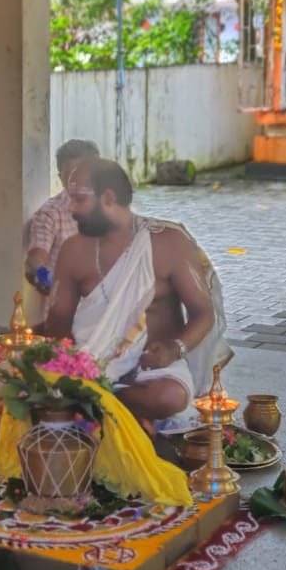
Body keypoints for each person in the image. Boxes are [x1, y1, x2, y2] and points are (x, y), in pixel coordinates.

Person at [46, 158, 230, 426]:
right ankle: (102, 405)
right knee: (3, 378)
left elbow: (203, 312)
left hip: (151, 372)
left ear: (108, 198)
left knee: (170, 397)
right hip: (86, 366)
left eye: (79, 200)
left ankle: (92, 404)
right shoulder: (73, 249)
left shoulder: (167, 242)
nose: (71, 209)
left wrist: (174, 348)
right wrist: (68, 363)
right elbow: (58, 320)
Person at [23, 138, 99, 319]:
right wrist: (44, 277)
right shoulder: (50, 214)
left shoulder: (109, 207)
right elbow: (35, 260)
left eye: (83, 172)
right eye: (70, 174)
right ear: (60, 177)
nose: (77, 180)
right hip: (68, 317)